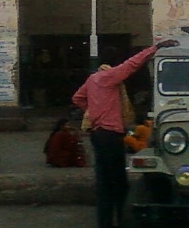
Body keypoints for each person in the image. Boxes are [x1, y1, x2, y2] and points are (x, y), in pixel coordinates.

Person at [72, 39, 179, 228]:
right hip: (111, 134)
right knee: (119, 182)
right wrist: (155, 48)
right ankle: (123, 220)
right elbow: (132, 64)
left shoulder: (93, 79)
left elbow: (77, 98)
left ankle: (105, 222)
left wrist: (93, 111)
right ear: (114, 62)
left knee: (103, 181)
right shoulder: (109, 76)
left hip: (97, 133)